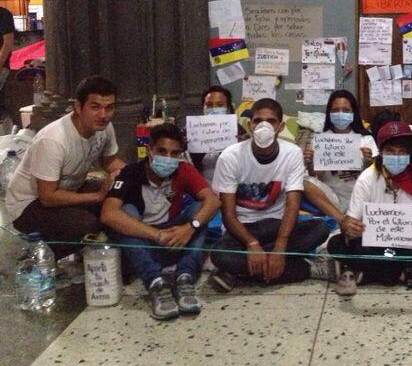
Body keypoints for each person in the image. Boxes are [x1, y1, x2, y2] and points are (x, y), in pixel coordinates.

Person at [101, 124, 220, 320]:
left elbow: (213, 200)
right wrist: (156, 235)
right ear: (149, 151)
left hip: (173, 239)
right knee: (125, 213)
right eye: (162, 151)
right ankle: (156, 283)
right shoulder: (130, 173)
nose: (168, 158)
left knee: (200, 211)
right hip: (142, 244)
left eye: (175, 153)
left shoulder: (184, 170)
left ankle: (185, 277)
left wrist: (190, 228)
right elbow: (108, 214)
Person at [210, 98, 329, 291]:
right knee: (219, 254)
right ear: (250, 125)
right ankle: (306, 269)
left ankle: (238, 271)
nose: (263, 126)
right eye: (258, 121)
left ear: (280, 127)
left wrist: (280, 248)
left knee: (320, 228)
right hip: (242, 230)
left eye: (271, 121)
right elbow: (229, 215)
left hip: (277, 226)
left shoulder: (292, 153)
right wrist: (251, 244)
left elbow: (292, 205)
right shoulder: (230, 156)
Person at [7, 76, 125, 259]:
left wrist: (138, 174)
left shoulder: (104, 127)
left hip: (69, 189)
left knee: (120, 198)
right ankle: (43, 257)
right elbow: (47, 197)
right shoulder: (53, 139)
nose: (103, 115)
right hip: (29, 204)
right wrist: (97, 196)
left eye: (109, 108)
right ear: (78, 107)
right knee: (85, 223)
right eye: (95, 107)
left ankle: (112, 254)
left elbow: (110, 162)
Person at [327, 121, 412, 296]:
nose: (396, 157)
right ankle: (404, 274)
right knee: (337, 244)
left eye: (402, 152)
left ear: (410, 153)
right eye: (390, 151)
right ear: (381, 152)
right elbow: (350, 223)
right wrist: (350, 228)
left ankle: (371, 274)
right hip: (375, 247)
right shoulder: (368, 178)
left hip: (408, 248)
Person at [300, 90, 377, 223]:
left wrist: (369, 161)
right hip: (332, 197)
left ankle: (349, 217)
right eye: (336, 110)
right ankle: (342, 221)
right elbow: (318, 177)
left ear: (353, 113)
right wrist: (310, 163)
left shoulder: (366, 139)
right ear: (329, 114)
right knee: (304, 181)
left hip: (360, 195)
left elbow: (378, 175)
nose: (340, 114)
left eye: (346, 110)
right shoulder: (322, 140)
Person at [189, 85, 242, 184]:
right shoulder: (192, 131)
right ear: (203, 108)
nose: (214, 109)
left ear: (228, 108)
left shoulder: (239, 131)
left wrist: (244, 145)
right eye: (209, 105)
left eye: (220, 105)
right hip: (201, 187)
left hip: (232, 187)